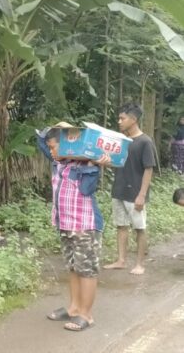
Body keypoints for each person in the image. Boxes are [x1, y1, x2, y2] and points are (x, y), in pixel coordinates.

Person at [38, 123, 110, 332]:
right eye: (50, 148)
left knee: (86, 270)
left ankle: (86, 315)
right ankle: (74, 308)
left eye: (54, 147)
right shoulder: (58, 163)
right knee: (73, 267)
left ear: (69, 147)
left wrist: (94, 164)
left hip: (84, 225)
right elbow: (41, 140)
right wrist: (58, 128)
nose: (51, 151)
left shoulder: (85, 165)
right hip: (65, 224)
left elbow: (88, 189)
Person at [104, 103, 157, 275]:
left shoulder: (145, 142)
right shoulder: (122, 141)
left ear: (133, 120)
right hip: (119, 190)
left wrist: (141, 195)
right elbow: (118, 162)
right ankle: (121, 260)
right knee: (121, 226)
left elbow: (148, 169)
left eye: (122, 118)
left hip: (135, 194)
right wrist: (104, 161)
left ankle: (140, 264)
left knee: (139, 228)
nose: (119, 121)